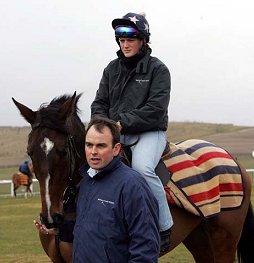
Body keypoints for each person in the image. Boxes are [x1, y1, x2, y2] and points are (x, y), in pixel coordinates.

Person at [90, 12, 173, 250]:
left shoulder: (159, 70)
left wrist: (121, 123)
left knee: (142, 169)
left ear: (143, 40)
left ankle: (164, 226)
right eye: (121, 40)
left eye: (131, 39)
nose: (125, 44)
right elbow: (99, 103)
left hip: (149, 132)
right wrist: (102, 125)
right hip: (115, 133)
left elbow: (155, 110)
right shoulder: (111, 69)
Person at [72, 117, 160, 262]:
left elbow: (146, 247)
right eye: (89, 145)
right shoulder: (86, 181)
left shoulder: (133, 185)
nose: (93, 151)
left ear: (116, 149)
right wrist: (58, 230)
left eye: (101, 145)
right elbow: (86, 230)